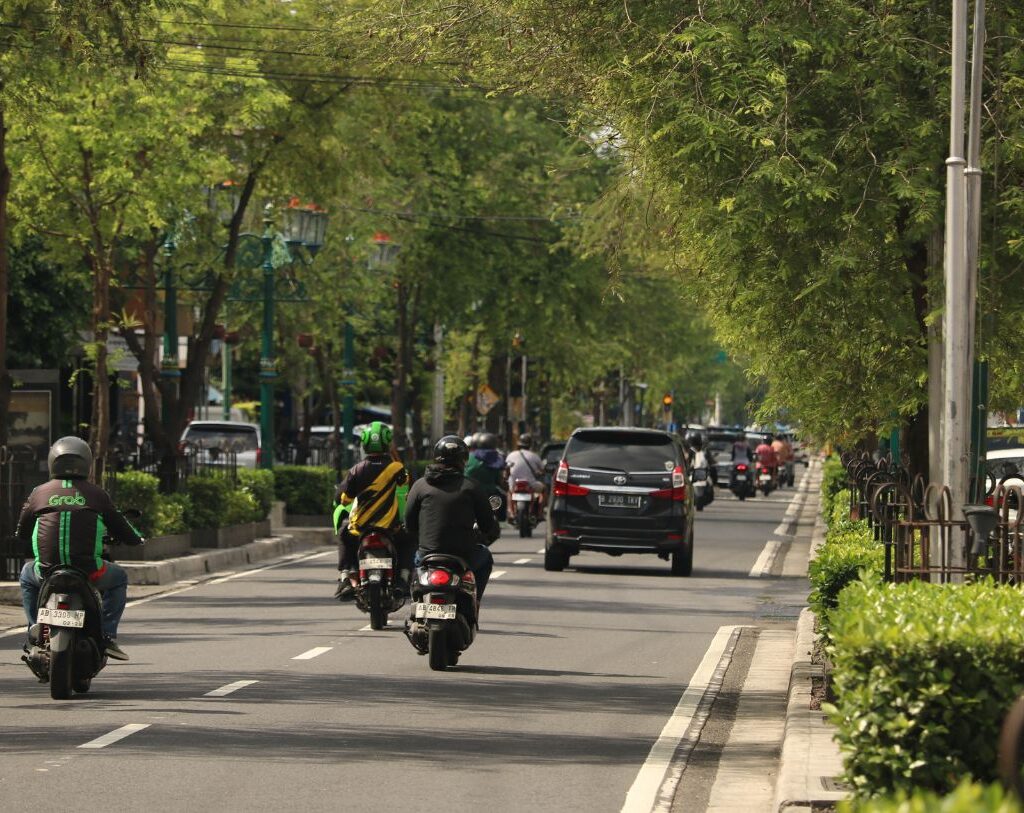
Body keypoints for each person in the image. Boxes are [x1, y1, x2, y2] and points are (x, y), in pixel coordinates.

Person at [17, 436, 143, 661]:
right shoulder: (96, 494)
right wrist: (137, 540)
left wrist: (24, 537)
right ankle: (107, 635)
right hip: (88, 571)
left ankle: (35, 628)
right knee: (120, 578)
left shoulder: (40, 492)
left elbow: (23, 531)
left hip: (46, 571)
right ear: (87, 462)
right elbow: (122, 528)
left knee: (27, 575)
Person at [404, 435, 500, 603]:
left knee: (412, 564)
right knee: (485, 556)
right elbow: (487, 525)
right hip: (463, 555)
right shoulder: (471, 486)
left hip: (427, 554)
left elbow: (409, 523)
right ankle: (474, 602)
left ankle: (415, 600)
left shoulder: (419, 485)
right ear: (463, 460)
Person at [333, 421, 411, 601]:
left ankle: (346, 576)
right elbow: (405, 485)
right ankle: (403, 578)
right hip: (390, 527)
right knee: (409, 539)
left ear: (364, 443)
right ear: (387, 443)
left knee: (344, 535)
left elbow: (345, 499)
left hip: (361, 527)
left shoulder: (356, 470)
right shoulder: (395, 468)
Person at [505, 433, 545, 520]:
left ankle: (511, 512)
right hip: (531, 484)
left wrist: (507, 477)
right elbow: (542, 470)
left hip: (514, 485)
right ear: (530, 445)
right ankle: (540, 513)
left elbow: (507, 469)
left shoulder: (511, 455)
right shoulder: (534, 456)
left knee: (509, 492)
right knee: (543, 490)